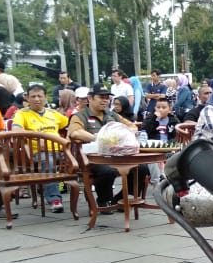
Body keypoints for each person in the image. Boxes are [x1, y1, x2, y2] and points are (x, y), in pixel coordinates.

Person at [67, 86, 145, 208]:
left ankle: (122, 198)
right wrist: (100, 138)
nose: (105, 101)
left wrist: (121, 134)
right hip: (93, 157)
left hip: (116, 154)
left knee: (142, 168)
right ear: (90, 98)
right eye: (101, 97)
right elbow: (75, 132)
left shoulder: (112, 114)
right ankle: (104, 200)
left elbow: (132, 127)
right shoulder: (80, 116)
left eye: (107, 98)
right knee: (107, 170)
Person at [11, 84, 70, 213]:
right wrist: (36, 138)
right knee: (49, 162)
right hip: (38, 153)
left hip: (60, 150)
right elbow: (15, 130)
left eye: (40, 96)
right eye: (33, 96)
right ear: (27, 98)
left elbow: (69, 124)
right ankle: (55, 199)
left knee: (83, 159)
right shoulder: (22, 114)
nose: (37, 99)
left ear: (45, 97)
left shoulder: (53, 113)